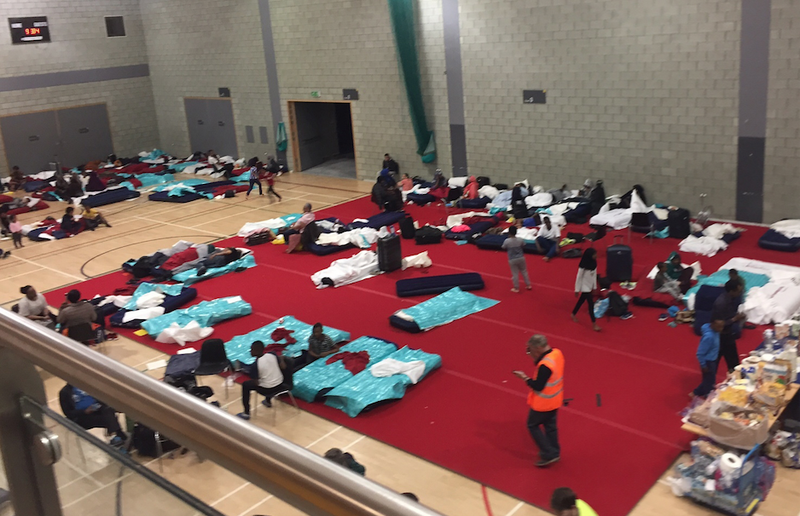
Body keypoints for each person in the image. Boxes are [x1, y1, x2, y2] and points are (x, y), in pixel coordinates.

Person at [513, 335, 564, 467]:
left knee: (532, 425)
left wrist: (524, 377)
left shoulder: (545, 366)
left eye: (532, 349)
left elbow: (538, 385)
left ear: (539, 348)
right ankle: (555, 451)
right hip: (555, 399)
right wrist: (533, 356)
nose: (531, 352)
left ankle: (548, 453)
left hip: (543, 403)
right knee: (550, 427)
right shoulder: (557, 354)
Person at [237, 341, 293, 420]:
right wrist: (281, 359)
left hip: (268, 390)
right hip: (281, 385)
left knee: (245, 385)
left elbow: (256, 383)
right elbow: (283, 367)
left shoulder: (255, 365)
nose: (250, 351)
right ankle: (267, 401)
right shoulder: (272, 354)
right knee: (269, 379)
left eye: (252, 349)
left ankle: (246, 413)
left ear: (256, 351)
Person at [59, 384, 127, 447]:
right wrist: (84, 412)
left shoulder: (86, 385)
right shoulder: (64, 392)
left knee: (108, 409)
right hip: (81, 417)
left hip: (96, 410)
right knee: (109, 419)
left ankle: (115, 436)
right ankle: (117, 436)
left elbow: (100, 399)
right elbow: (68, 413)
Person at [712, 279, 746, 373]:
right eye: (739, 291)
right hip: (720, 337)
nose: (740, 293)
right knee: (714, 362)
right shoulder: (721, 303)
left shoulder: (730, 299)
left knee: (734, 363)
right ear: (732, 291)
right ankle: (709, 383)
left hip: (728, 334)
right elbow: (717, 324)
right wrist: (735, 319)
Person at [692, 319, 724, 398]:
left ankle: (696, 392)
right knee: (709, 382)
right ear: (712, 324)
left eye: (722, 327)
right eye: (719, 327)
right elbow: (700, 353)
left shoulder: (713, 330)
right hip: (708, 362)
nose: (721, 329)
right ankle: (707, 397)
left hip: (713, 359)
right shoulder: (709, 337)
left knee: (708, 379)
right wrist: (703, 365)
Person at [571, 248, 601, 331]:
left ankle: (573, 313)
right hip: (584, 286)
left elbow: (594, 275)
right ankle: (594, 323)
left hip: (590, 285)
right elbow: (579, 277)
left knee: (581, 300)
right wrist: (577, 289)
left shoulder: (594, 263)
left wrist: (594, 287)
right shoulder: (583, 265)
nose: (596, 256)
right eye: (595, 254)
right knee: (591, 304)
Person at [502, 225, 531, 293]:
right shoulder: (520, 239)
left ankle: (516, 288)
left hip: (512, 259)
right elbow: (524, 245)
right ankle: (528, 285)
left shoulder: (507, 241)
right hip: (521, 257)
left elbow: (503, 247)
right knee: (524, 271)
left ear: (509, 232)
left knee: (515, 274)